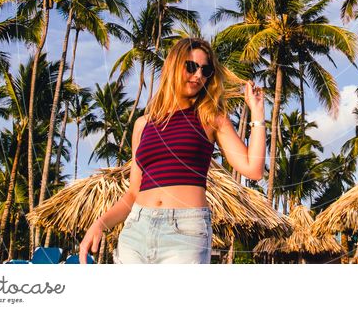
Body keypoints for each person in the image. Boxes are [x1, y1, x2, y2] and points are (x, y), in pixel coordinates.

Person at [79, 37, 266, 263]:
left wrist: (257, 113)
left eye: (205, 70)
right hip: (136, 228)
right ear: (173, 66)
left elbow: (253, 169)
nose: (198, 75)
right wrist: (99, 224)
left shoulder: (211, 118)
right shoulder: (143, 124)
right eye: (191, 67)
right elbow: (132, 194)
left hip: (186, 232)